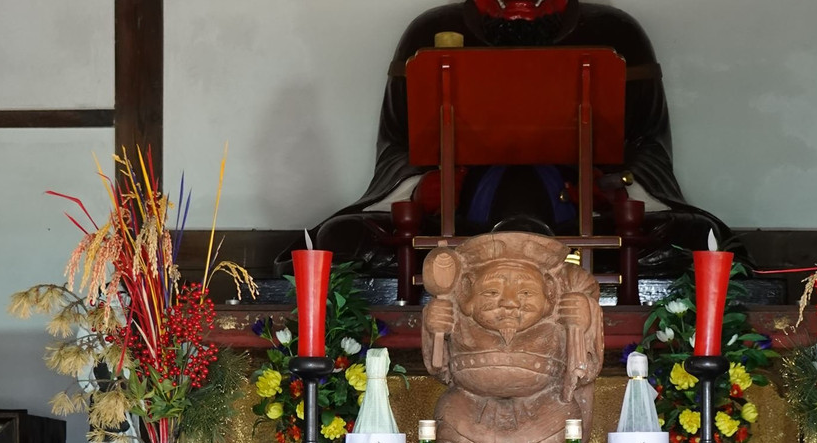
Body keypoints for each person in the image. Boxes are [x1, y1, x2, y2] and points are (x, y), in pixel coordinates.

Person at [277, 0, 744, 288]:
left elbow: (648, 144)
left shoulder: (615, 32)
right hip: (460, 214)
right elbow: (398, 144)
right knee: (337, 241)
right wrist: (423, 187)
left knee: (703, 242)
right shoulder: (430, 31)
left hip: (583, 213)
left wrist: (616, 187)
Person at [421, 231, 603, 443]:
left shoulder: (558, 318)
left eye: (526, 293)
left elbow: (582, 371)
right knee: (451, 415)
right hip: (470, 425)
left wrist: (584, 320)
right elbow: (441, 369)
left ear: (549, 295)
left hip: (542, 425)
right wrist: (434, 328)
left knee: (564, 425)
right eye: (491, 292)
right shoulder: (455, 315)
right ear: (467, 294)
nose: (508, 303)